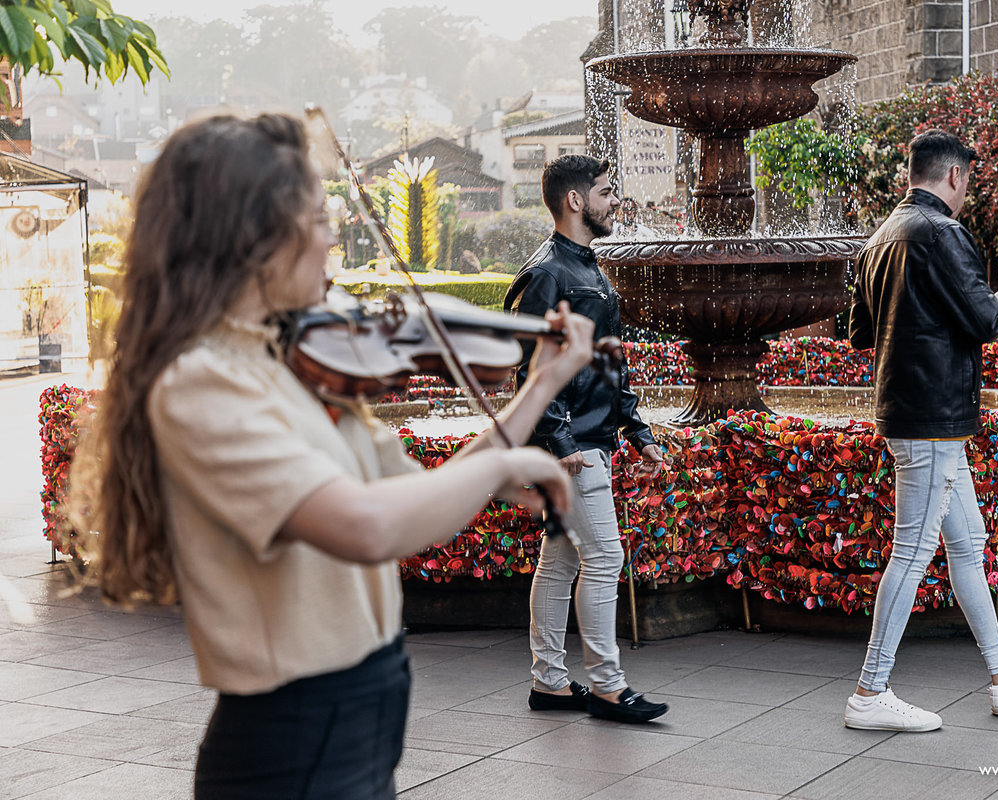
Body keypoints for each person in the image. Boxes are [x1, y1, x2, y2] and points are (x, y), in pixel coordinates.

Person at [69, 112, 596, 798]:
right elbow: (365, 525)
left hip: (362, 708)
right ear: (257, 237)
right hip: (290, 738)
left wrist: (543, 382)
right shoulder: (201, 382)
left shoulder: (295, 361)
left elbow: (416, 497)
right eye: (318, 219)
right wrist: (504, 466)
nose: (332, 238)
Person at [845, 129, 998, 732]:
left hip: (912, 412)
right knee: (914, 550)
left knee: (965, 544)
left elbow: (860, 333)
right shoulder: (942, 232)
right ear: (955, 177)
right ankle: (869, 692)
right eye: (968, 180)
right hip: (933, 418)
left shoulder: (881, 236)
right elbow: (983, 318)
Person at [503, 154, 669, 724]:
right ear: (576, 200)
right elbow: (529, 368)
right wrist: (559, 439)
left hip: (588, 439)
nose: (614, 199)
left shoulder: (587, 267)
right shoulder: (550, 272)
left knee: (560, 562)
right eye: (605, 190)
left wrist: (638, 429)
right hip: (572, 449)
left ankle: (550, 682)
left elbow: (606, 365)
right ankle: (606, 687)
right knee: (603, 558)